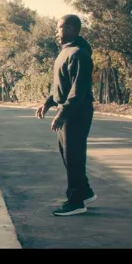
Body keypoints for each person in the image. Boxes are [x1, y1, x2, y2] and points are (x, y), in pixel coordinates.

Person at [36, 14, 97, 216]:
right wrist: (48, 102)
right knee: (67, 154)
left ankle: (76, 202)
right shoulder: (65, 52)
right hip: (69, 111)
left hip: (77, 112)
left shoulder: (80, 54)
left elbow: (78, 90)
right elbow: (62, 85)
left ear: (70, 29)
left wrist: (62, 113)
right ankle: (85, 191)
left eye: (59, 27)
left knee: (74, 156)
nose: (56, 31)